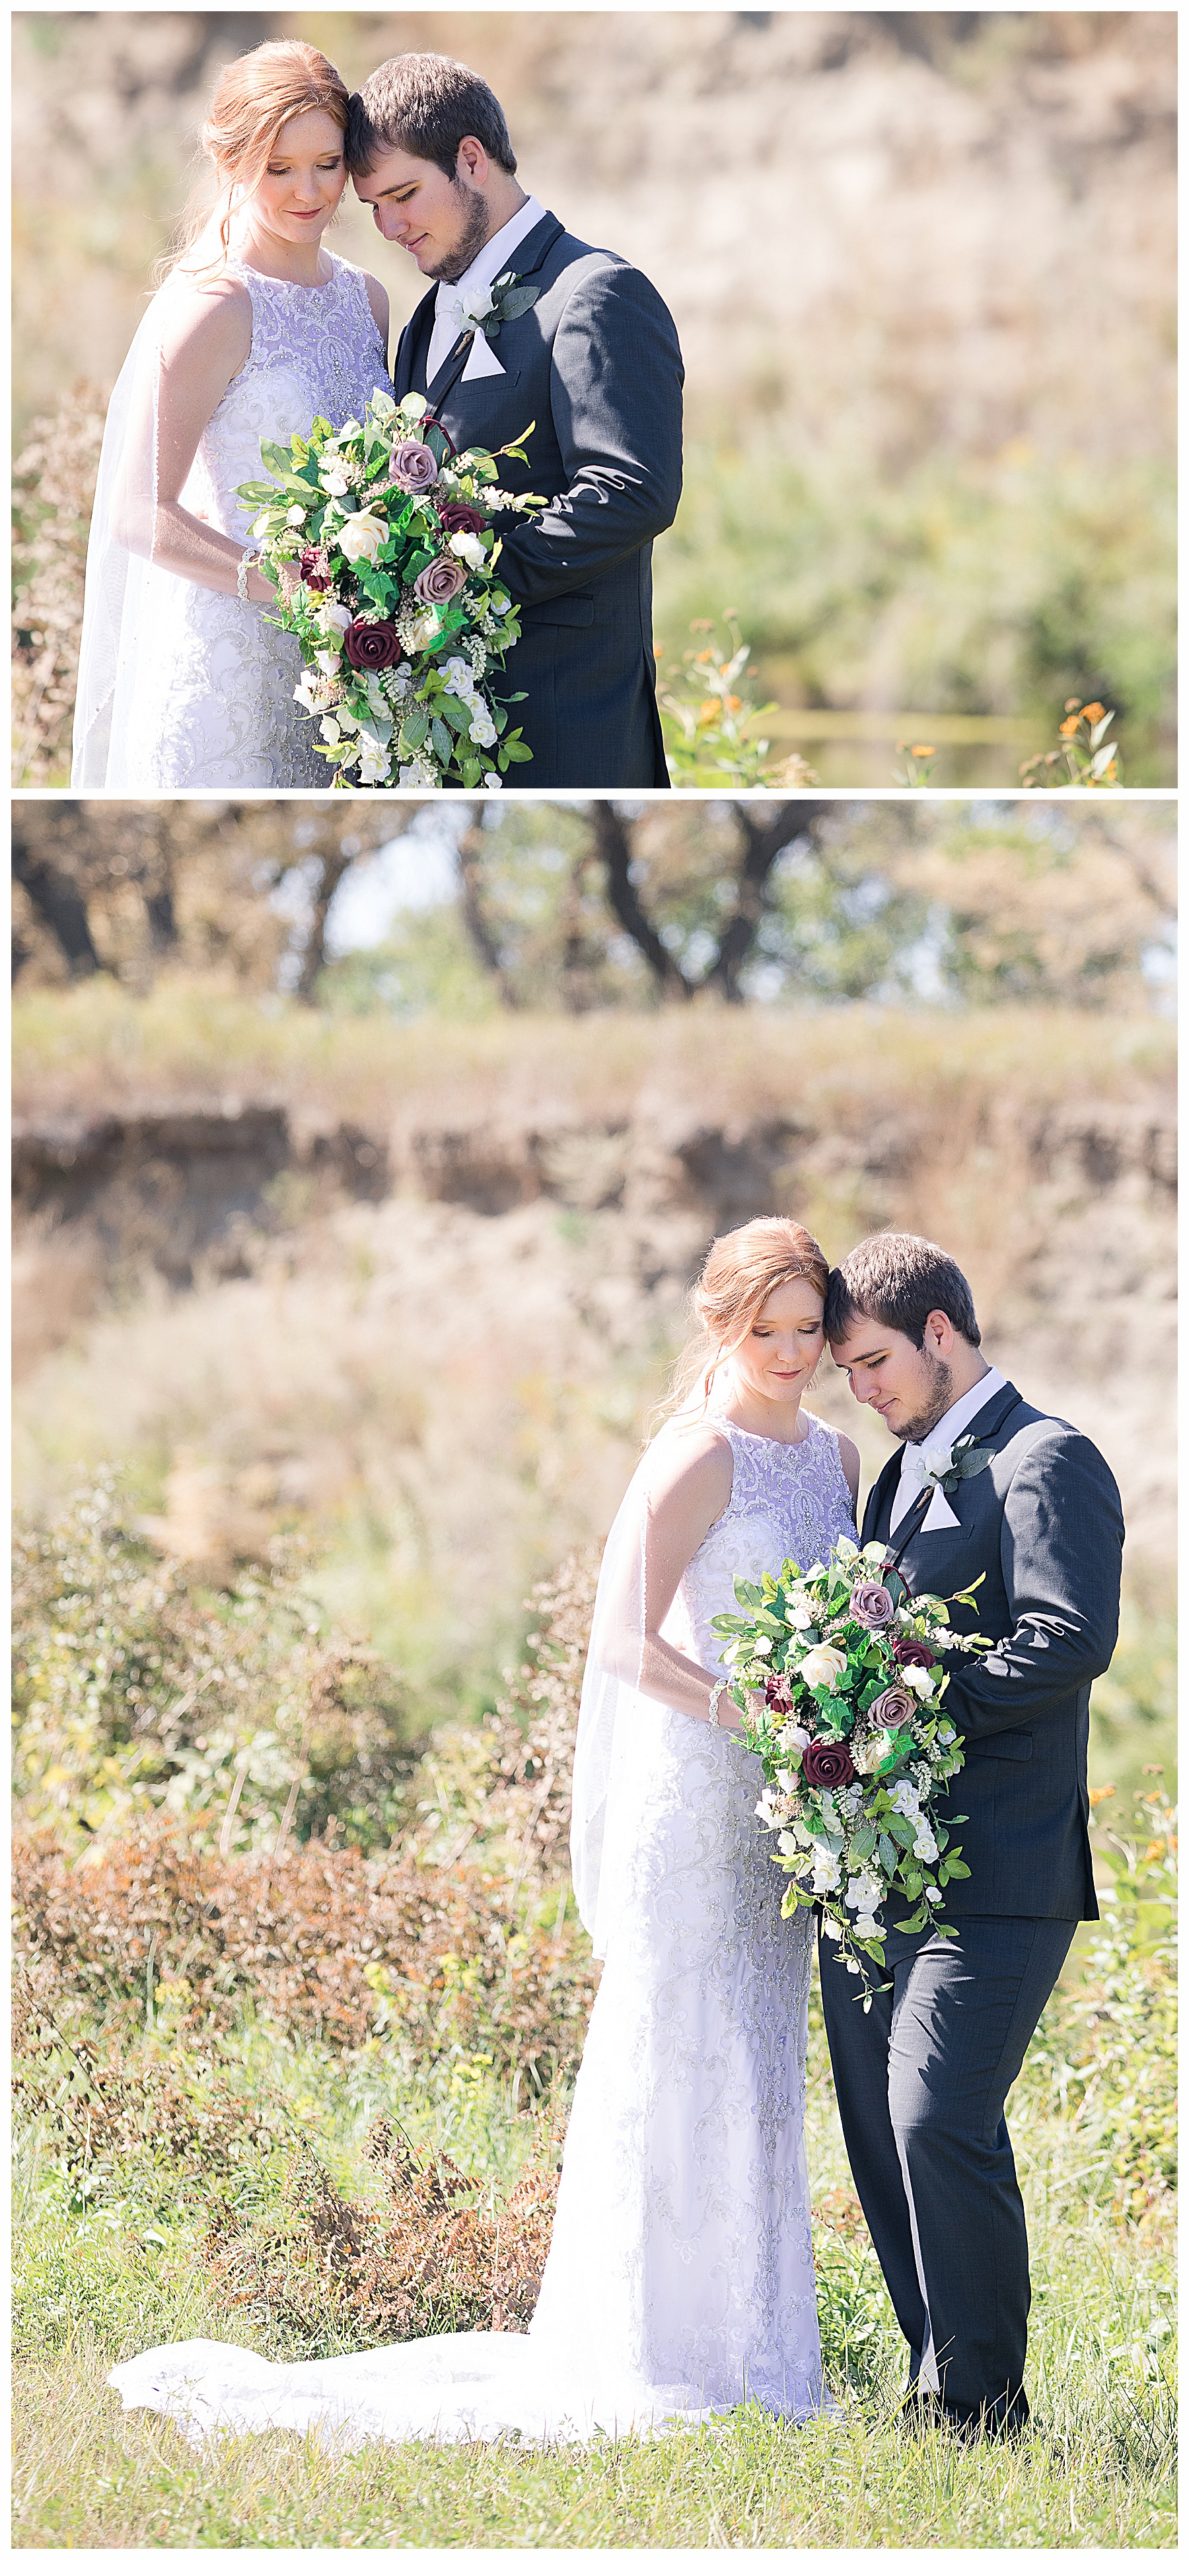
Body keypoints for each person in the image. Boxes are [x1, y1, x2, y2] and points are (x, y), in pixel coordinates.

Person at [109, 1217, 858, 2446]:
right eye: (762, 1329)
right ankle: (650, 2345)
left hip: (774, 1813)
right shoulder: (694, 1457)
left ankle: (756, 2347)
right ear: (716, 1325)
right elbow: (623, 1642)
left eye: (805, 1329)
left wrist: (828, 1723)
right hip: (697, 1791)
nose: (788, 1353)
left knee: (760, 2055)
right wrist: (748, 1709)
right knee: (677, 2044)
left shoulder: (833, 1461)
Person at [824, 1232, 1124, 2439]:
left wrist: (913, 1707)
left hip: (1000, 1866)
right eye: (848, 1369)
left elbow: (1067, 1637)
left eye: (874, 1360)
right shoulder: (892, 1477)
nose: (862, 1387)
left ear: (941, 1331)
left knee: (934, 2112)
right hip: (879, 1869)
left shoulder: (1048, 1458)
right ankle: (931, 2377)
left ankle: (987, 2407)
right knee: (873, 2119)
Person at [347, 52, 684, 790]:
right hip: (444, 734)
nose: (388, 224)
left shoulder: (596, 293)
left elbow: (632, 491)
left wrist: (459, 585)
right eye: (371, 205)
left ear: (470, 159)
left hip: (570, 725)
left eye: (401, 193)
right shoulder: (425, 318)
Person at [71, 41, 392, 788]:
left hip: (351, 663)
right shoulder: (214, 308)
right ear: (230, 163)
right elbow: (138, 513)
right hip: (230, 662)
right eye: (278, 169)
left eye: (327, 163)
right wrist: (290, 589)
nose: (309, 192)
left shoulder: (368, 301)